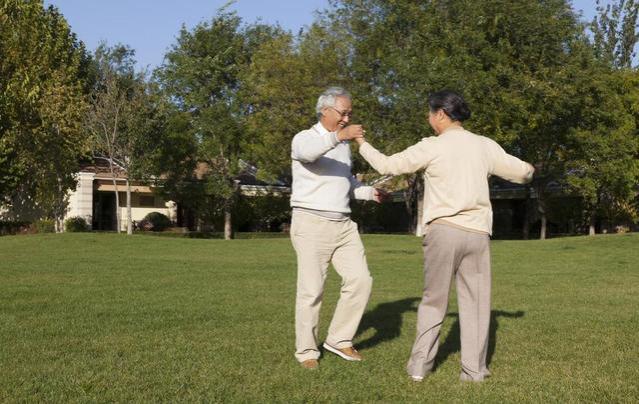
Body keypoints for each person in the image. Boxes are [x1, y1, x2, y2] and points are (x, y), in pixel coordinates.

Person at [353, 90, 534, 382]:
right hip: (477, 234)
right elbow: (524, 173)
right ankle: (474, 372)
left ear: (440, 114)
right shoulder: (484, 145)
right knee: (476, 304)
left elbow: (387, 165)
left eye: (429, 112)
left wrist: (361, 143)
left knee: (434, 300)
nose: (428, 118)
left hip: (444, 231)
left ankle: (419, 368)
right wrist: (529, 169)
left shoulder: (432, 146)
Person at [290, 86, 386, 370]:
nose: (347, 118)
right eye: (343, 113)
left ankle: (339, 339)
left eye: (350, 114)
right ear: (325, 111)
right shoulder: (305, 138)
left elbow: (348, 185)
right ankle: (306, 350)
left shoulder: (342, 147)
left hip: (344, 224)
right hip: (311, 223)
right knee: (312, 290)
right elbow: (307, 154)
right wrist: (339, 136)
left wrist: (370, 193)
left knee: (361, 280)